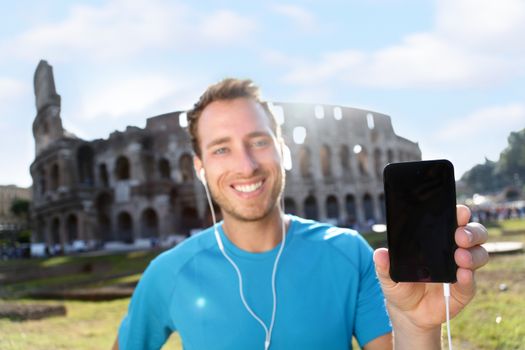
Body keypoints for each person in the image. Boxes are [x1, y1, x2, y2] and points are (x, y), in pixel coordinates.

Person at [113, 79, 489, 349]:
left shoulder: (349, 252)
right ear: (198, 167)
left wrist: (418, 327)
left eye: (258, 142)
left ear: (282, 150)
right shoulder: (168, 274)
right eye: (221, 149)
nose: (246, 166)